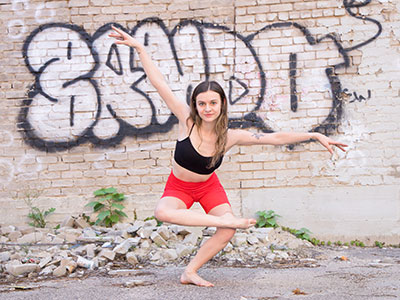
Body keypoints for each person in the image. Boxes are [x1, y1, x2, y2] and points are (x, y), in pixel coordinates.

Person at [109, 26, 348, 287]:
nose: (207, 108)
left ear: (221, 104)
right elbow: (159, 83)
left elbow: (274, 138)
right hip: (179, 187)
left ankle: (190, 271)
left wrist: (314, 135)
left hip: (208, 186)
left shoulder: (230, 136)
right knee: (162, 212)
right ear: (195, 106)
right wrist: (140, 49)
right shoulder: (186, 121)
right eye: (202, 103)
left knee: (228, 230)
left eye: (213, 103)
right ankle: (220, 221)